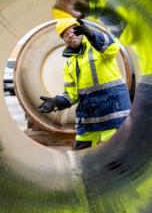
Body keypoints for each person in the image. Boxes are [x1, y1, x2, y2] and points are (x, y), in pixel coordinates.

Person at [37, 18, 131, 150]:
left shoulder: (98, 48)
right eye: (65, 35)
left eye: (72, 31)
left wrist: (93, 35)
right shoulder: (70, 63)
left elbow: (112, 47)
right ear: (64, 40)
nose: (70, 35)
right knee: (81, 155)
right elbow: (71, 94)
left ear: (81, 30)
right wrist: (56, 102)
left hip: (113, 113)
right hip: (89, 119)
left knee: (112, 154)